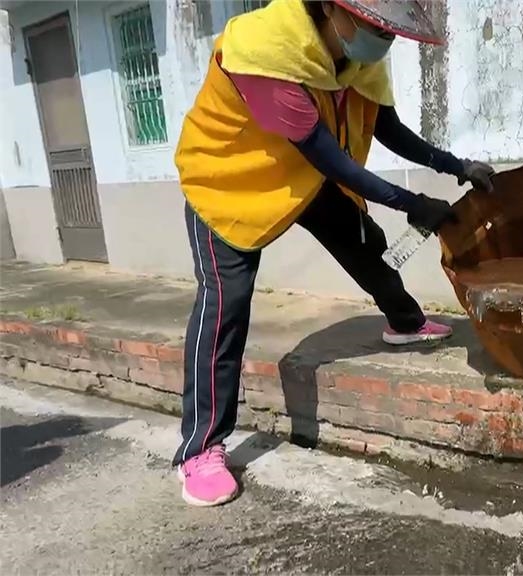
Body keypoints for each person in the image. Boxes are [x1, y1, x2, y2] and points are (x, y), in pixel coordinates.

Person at [172, 0, 494, 506]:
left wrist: (457, 165)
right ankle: (200, 449)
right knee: (225, 303)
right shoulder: (265, 53)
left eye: (389, 30)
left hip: (299, 172)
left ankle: (405, 323)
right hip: (228, 183)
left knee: (364, 241)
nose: (383, 39)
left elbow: (387, 127)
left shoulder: (357, 58)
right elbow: (334, 161)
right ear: (329, 8)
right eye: (372, 26)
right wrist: (413, 203)